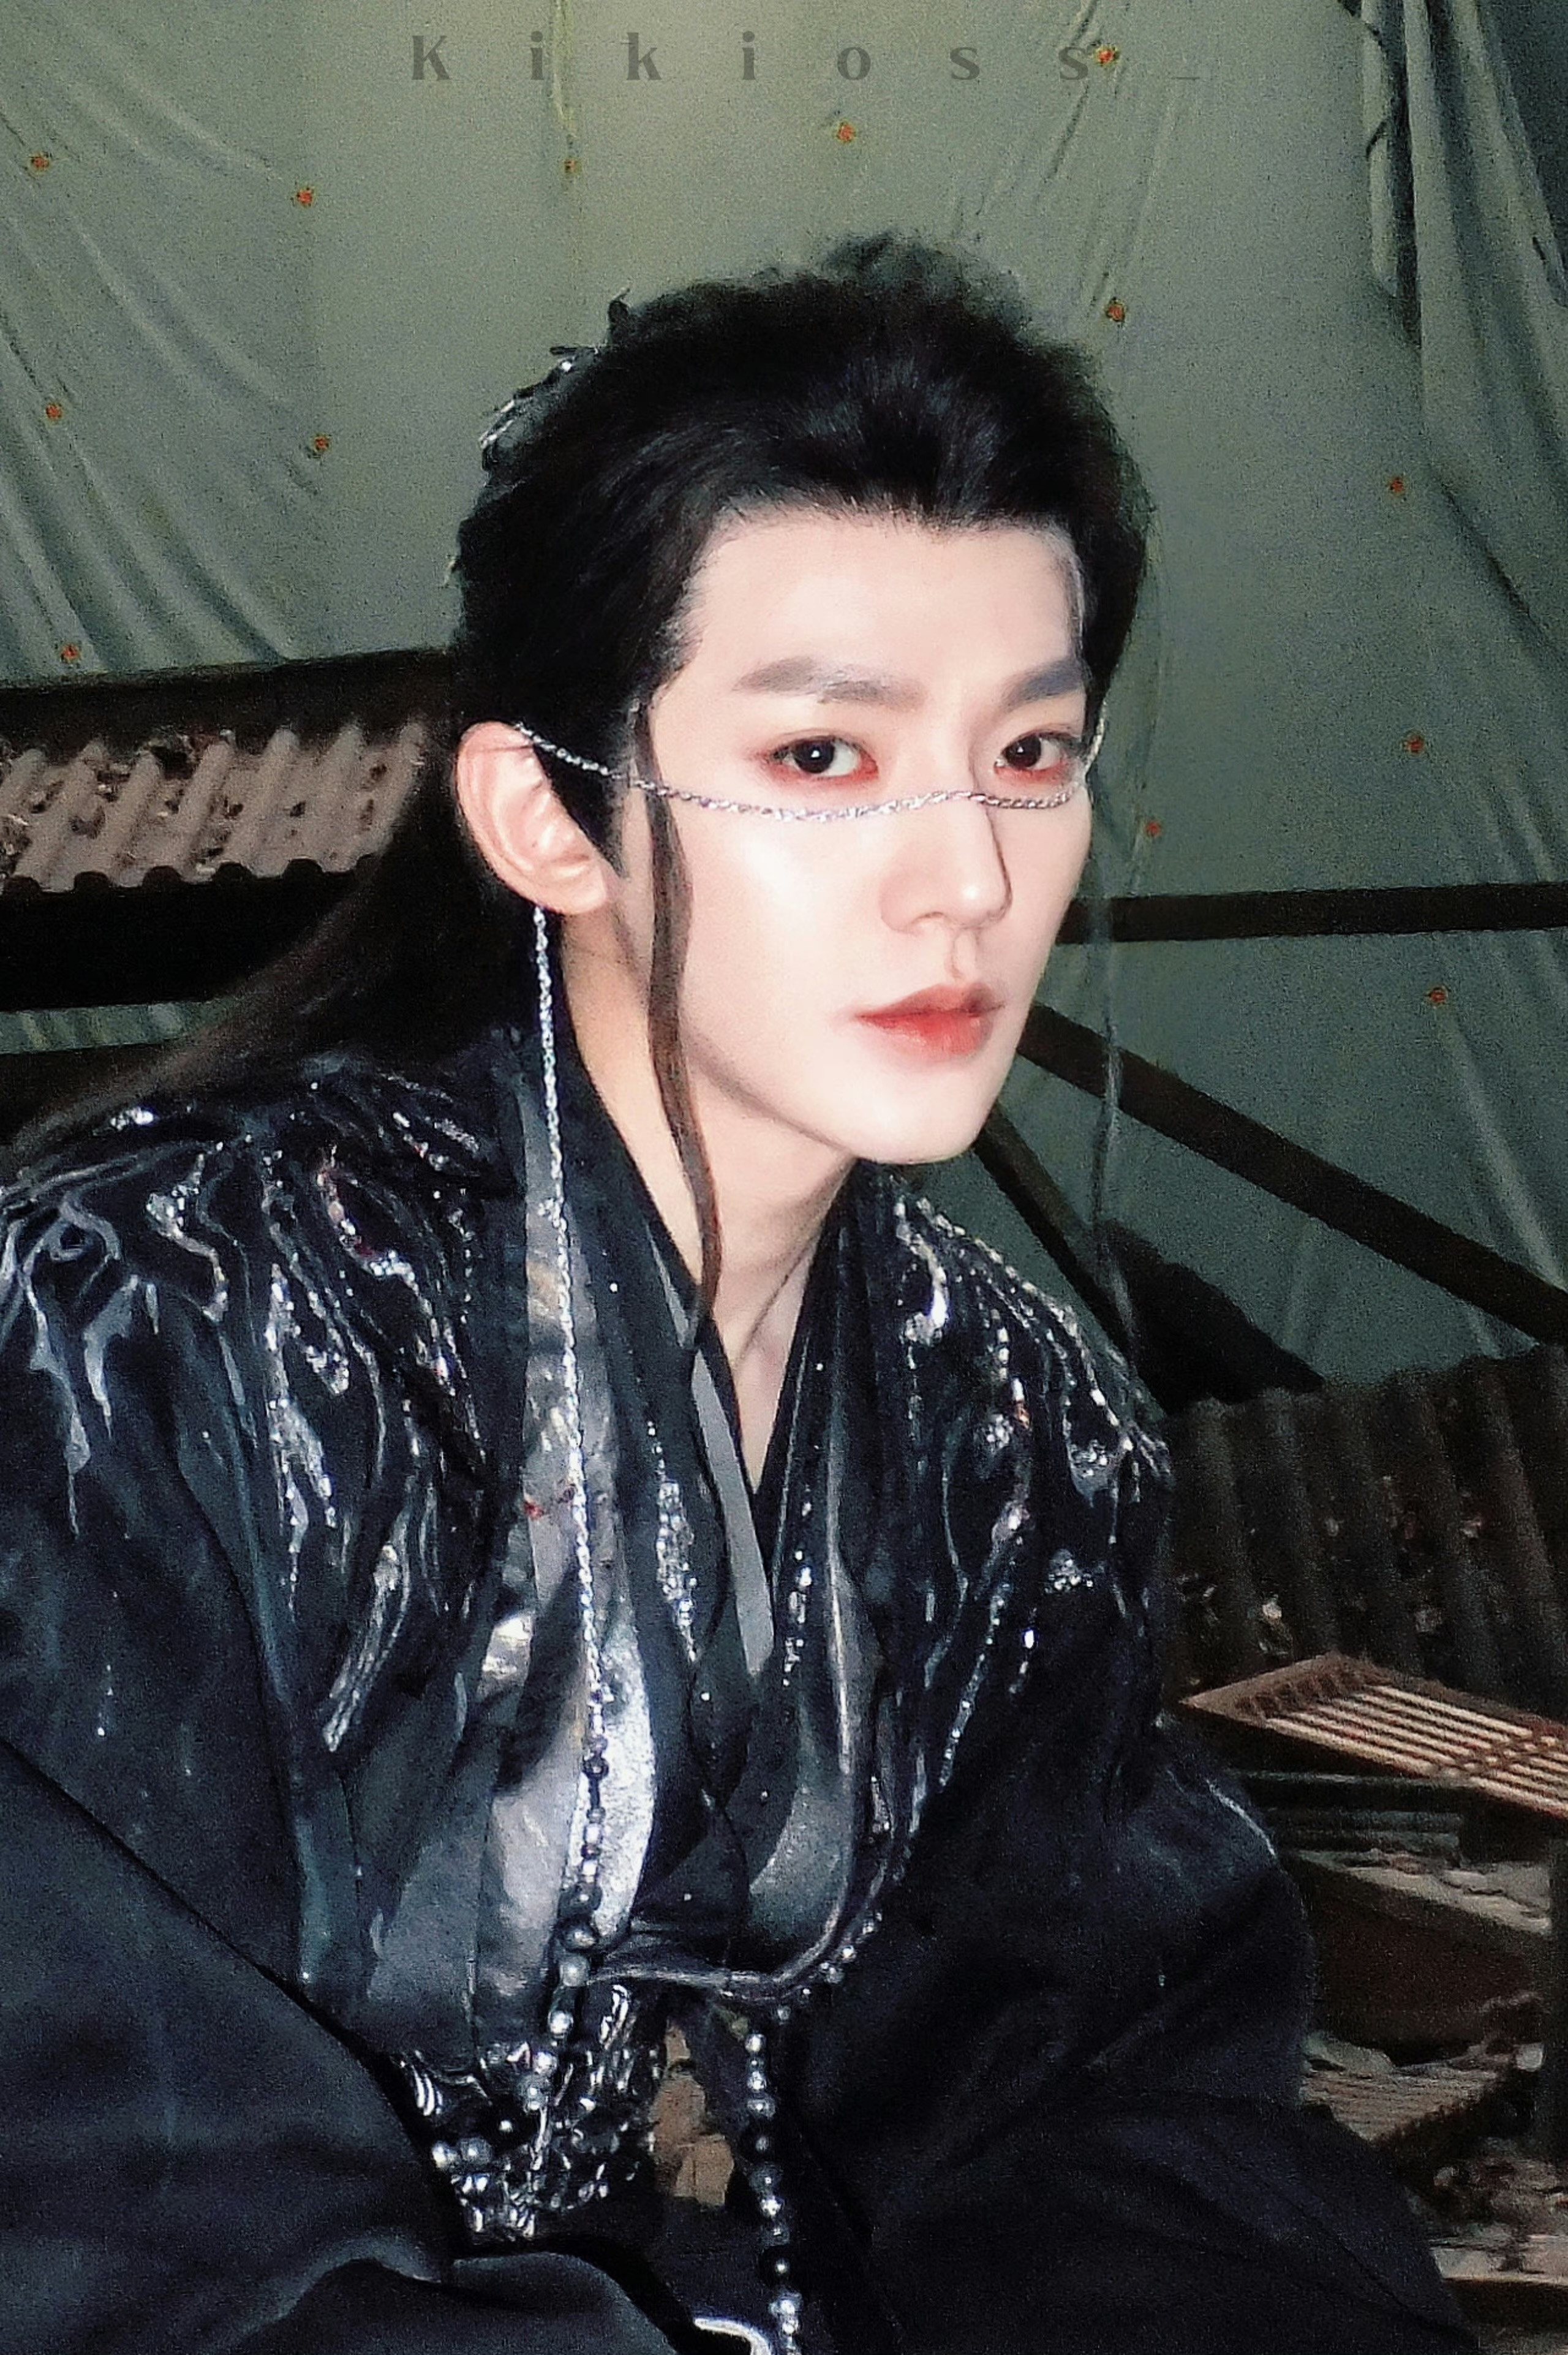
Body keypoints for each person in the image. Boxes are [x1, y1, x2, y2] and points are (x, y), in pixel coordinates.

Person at [0, 240, 1474, 2355]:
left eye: (1032, 751)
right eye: (822, 759)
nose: (969, 876)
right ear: (546, 816)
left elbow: (1086, 2105)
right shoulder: (157, 1339)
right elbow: (115, 2215)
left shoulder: (1006, 1433)